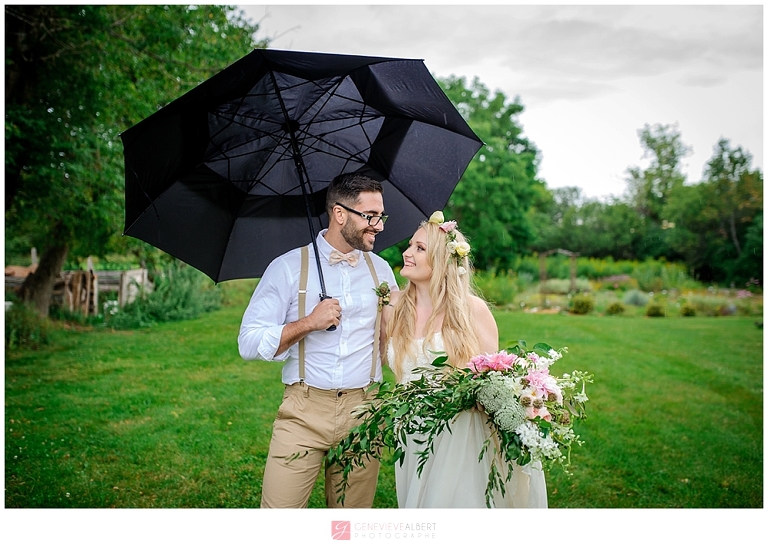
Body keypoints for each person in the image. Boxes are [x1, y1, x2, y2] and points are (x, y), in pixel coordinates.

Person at [239, 172, 397, 508]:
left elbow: (395, 337)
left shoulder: (381, 270)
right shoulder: (287, 268)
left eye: (380, 216)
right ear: (340, 214)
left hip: (363, 412)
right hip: (303, 413)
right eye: (370, 216)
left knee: (348, 528)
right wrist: (308, 323)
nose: (379, 225)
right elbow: (248, 342)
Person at [381, 213, 548, 508]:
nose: (407, 253)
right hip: (410, 431)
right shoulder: (394, 308)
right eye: (410, 246)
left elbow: (494, 378)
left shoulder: (472, 311)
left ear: (442, 260)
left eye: (419, 248)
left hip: (458, 434)